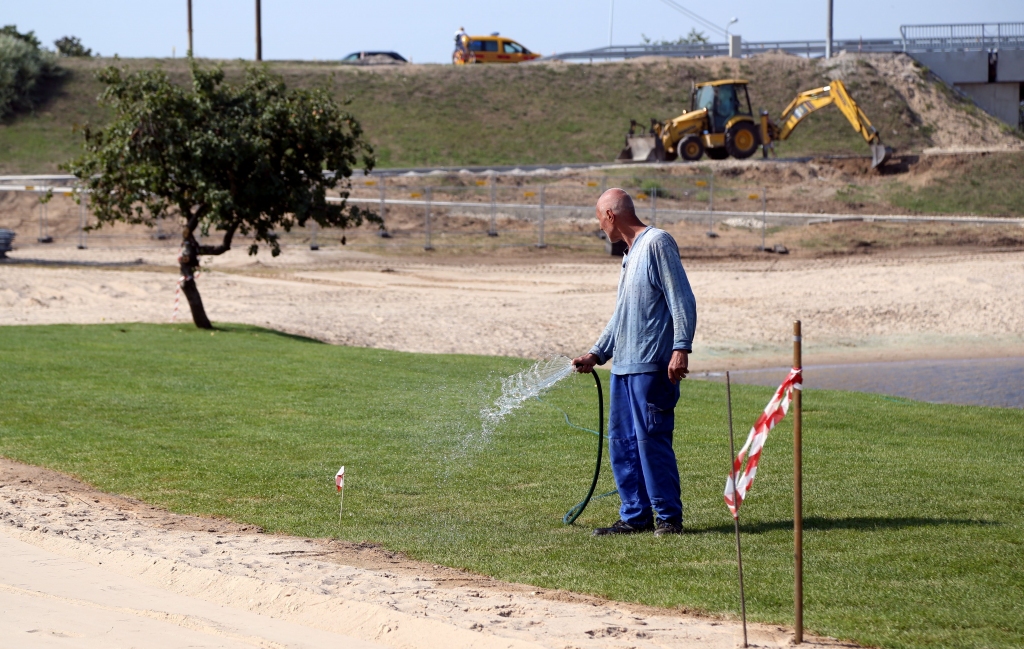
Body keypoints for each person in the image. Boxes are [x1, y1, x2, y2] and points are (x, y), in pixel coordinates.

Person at [572, 188, 697, 537]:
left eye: (600, 221)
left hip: (651, 367)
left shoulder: (657, 243)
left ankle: (668, 519)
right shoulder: (629, 255)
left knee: (651, 442)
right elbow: (621, 316)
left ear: (611, 215)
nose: (601, 228)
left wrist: (680, 347)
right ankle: (634, 517)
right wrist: (597, 353)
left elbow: (682, 298)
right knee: (623, 443)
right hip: (623, 369)